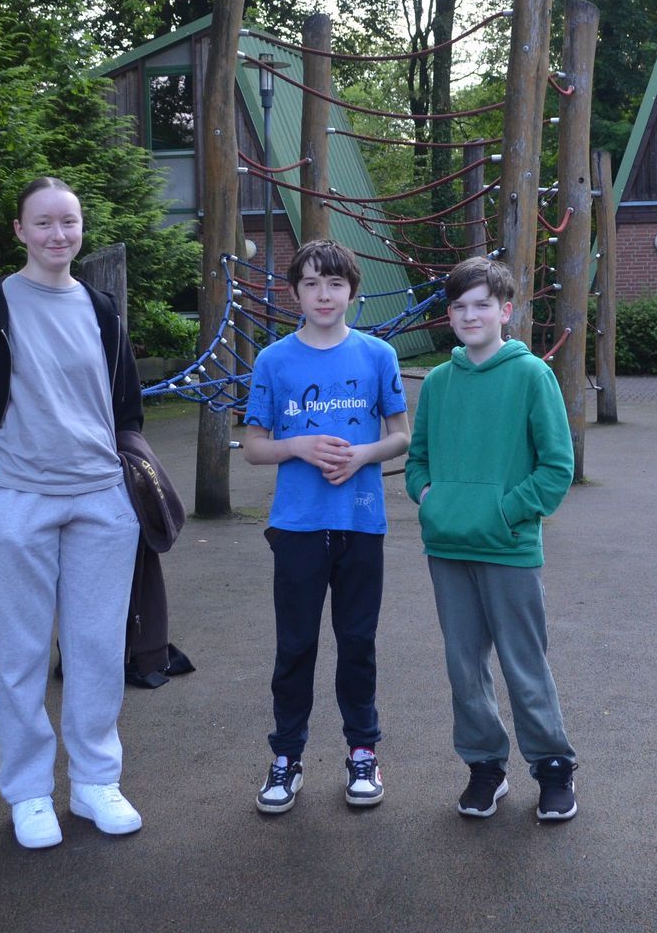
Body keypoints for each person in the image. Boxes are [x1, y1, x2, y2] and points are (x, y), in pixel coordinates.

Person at [0, 176, 147, 850]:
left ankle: (94, 783)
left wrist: (121, 488)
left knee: (97, 649)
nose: (61, 234)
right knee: (22, 656)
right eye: (45, 223)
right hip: (19, 501)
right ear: (20, 231)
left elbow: (127, 410)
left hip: (99, 501)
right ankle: (29, 793)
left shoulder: (103, 308)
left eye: (71, 222)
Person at [405, 256, 578, 821]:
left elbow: (556, 467)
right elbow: (417, 460)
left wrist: (506, 513)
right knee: (463, 667)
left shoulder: (532, 375)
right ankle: (484, 767)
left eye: (483, 304)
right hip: (448, 547)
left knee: (523, 663)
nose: (470, 314)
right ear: (448, 315)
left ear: (506, 311)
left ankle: (553, 769)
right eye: (460, 306)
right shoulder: (436, 381)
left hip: (507, 548)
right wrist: (430, 499)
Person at [241, 239, 409, 814]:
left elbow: (401, 435)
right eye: (311, 284)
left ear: (352, 293)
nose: (323, 294)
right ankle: (286, 756)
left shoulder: (377, 356)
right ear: (294, 293)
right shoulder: (274, 361)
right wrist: (301, 447)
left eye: (334, 284)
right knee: (296, 645)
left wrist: (363, 456)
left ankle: (363, 751)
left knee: (358, 643)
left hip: (361, 525)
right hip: (298, 527)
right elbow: (253, 446)